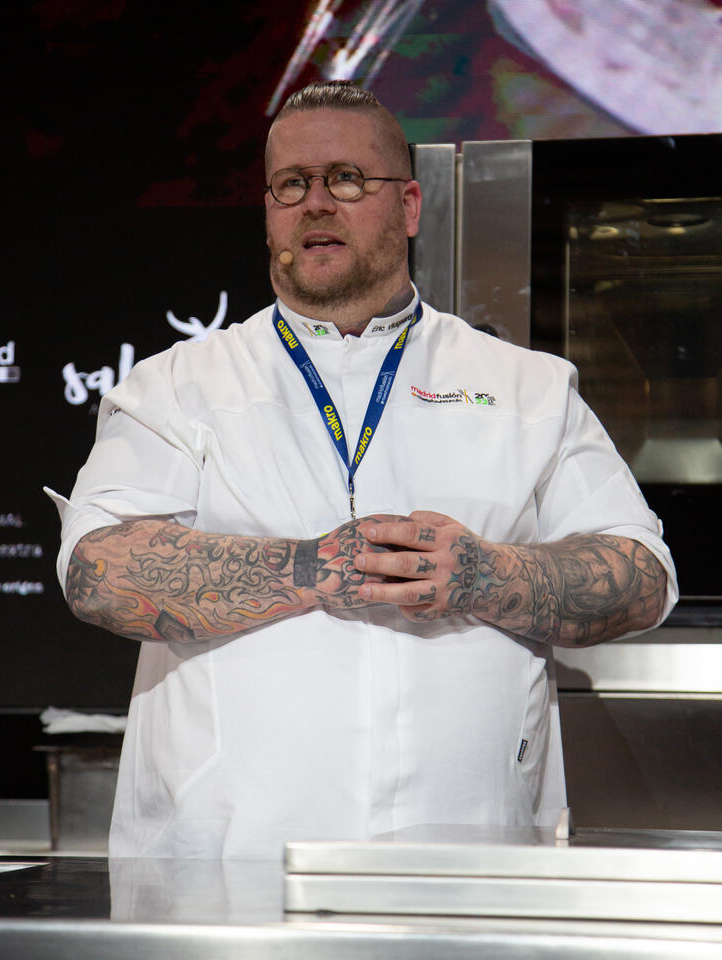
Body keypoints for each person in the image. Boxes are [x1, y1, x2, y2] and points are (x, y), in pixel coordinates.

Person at [49, 81, 677, 859]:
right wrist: (314, 568)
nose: (315, 203)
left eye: (346, 179)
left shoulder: (527, 388)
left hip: (473, 860)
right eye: (290, 184)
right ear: (268, 212)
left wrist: (485, 575)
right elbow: (96, 570)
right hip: (223, 866)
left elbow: (641, 575)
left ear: (408, 205)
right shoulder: (175, 387)